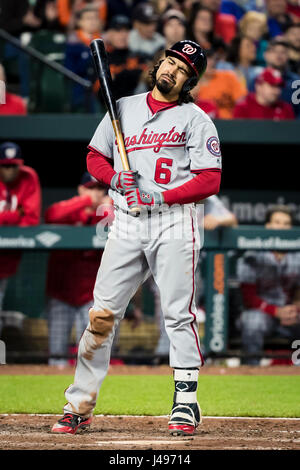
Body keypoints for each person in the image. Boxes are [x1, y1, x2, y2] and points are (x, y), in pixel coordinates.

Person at [51, 39, 222, 436]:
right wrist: (112, 177)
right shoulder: (123, 107)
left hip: (174, 221)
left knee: (178, 314)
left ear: (189, 80)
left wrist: (158, 194)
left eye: (182, 70)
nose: (172, 71)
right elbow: (95, 155)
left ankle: (186, 402)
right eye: (170, 62)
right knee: (102, 315)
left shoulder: (197, 120)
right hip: (127, 222)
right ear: (159, 62)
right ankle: (78, 404)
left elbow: (210, 179)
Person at [152, 194, 237, 362]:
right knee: (165, 306)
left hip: (194, 264)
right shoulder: (169, 191)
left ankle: (190, 351)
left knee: (187, 308)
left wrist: (217, 220)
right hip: (162, 259)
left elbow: (232, 220)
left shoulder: (209, 198)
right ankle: (164, 350)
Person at [44, 172, 114, 368]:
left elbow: (117, 221)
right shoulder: (69, 210)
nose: (94, 193)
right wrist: (84, 201)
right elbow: (51, 215)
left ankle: (86, 393)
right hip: (61, 293)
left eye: (99, 189)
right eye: (89, 188)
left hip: (91, 296)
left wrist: (106, 205)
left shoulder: (106, 214)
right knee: (56, 356)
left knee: (90, 357)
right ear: (80, 189)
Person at [237, 205, 300, 365]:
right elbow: (248, 298)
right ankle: (251, 368)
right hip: (263, 313)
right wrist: (276, 311)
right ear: (268, 226)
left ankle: (296, 369)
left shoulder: (297, 254)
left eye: (286, 223)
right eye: (277, 222)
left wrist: (295, 309)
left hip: (291, 313)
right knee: (251, 321)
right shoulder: (253, 254)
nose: (282, 227)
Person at [0, 142, 41, 334]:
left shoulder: (28, 176)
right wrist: (16, 214)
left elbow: (32, 219)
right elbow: (23, 215)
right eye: (5, 165)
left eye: (13, 166)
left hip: (7, 258)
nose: (10, 170)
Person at [64, 6, 102, 112]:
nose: (93, 21)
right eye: (88, 18)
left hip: (99, 86)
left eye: (95, 18)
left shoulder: (104, 42)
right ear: (80, 22)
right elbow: (70, 70)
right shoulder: (72, 43)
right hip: (79, 87)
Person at [102, 15, 148, 100]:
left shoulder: (137, 55)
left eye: (126, 31)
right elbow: (101, 90)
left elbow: (146, 77)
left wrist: (117, 75)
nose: (123, 35)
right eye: (118, 31)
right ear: (109, 33)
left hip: (136, 103)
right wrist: (131, 73)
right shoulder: (102, 58)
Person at [195, 47, 247, 119]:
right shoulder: (194, 88)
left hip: (232, 122)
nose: (211, 62)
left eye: (212, 59)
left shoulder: (228, 77)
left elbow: (242, 101)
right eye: (206, 59)